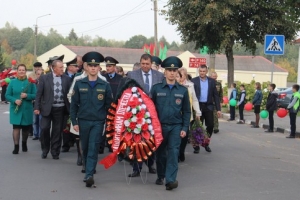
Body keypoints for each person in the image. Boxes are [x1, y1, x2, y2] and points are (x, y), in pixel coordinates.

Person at [70, 51, 113, 187]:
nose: (93, 68)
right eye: (91, 65)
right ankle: (88, 168)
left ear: (99, 68)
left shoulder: (104, 85)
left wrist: (109, 123)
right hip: (83, 121)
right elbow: (74, 105)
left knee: (94, 146)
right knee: (86, 147)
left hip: (98, 122)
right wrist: (74, 122)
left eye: (96, 65)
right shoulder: (79, 83)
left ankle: (89, 174)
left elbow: (109, 106)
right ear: (86, 67)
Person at [151, 56, 191, 190]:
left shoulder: (182, 90)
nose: (172, 72)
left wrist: (185, 127)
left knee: (173, 153)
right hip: (160, 127)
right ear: (165, 72)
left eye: (174, 70)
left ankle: (170, 180)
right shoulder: (156, 89)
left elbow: (186, 111)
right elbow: (150, 109)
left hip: (175, 126)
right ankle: (160, 175)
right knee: (161, 153)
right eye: (169, 70)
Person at [126, 54, 164, 177]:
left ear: (151, 63)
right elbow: (127, 92)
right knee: (138, 140)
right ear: (140, 62)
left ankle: (150, 163)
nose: (145, 66)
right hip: (137, 113)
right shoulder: (132, 75)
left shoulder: (159, 76)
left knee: (151, 140)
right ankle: (137, 168)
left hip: (154, 113)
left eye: (147, 64)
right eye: (143, 63)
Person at [34, 60, 72, 160]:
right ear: (54, 68)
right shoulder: (44, 78)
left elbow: (70, 94)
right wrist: (37, 107)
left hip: (60, 108)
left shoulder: (67, 79)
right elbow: (39, 94)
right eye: (60, 67)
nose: (62, 69)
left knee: (57, 131)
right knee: (45, 128)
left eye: (62, 67)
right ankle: (45, 149)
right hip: (46, 108)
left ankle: (55, 151)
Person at [5, 64, 37, 154]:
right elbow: (7, 95)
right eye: (20, 70)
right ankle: (16, 146)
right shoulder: (12, 82)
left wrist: (27, 96)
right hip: (15, 108)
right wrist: (15, 100)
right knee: (16, 128)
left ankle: (24, 143)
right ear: (17, 71)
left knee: (26, 129)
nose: (21, 71)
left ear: (25, 71)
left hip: (27, 109)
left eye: (23, 70)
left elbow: (36, 95)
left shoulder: (30, 83)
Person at [191, 65, 221, 153]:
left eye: (204, 71)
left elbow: (216, 96)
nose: (202, 73)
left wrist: (218, 109)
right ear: (198, 71)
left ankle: (206, 142)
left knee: (211, 125)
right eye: (200, 71)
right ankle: (196, 146)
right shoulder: (194, 81)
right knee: (196, 126)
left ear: (206, 71)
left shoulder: (212, 81)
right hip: (198, 106)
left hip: (208, 106)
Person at [177, 67, 201, 161]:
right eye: (179, 75)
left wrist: (198, 112)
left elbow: (194, 99)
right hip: (176, 114)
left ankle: (181, 151)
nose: (180, 77)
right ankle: (177, 153)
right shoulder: (174, 85)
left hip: (187, 114)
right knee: (176, 135)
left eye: (182, 75)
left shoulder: (190, 85)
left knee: (185, 135)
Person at [32, 69, 43, 140]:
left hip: (42, 104)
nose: (39, 76)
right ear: (36, 75)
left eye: (41, 74)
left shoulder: (45, 82)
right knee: (35, 120)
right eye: (38, 74)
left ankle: (40, 135)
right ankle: (35, 134)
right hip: (34, 103)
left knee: (41, 120)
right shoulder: (33, 83)